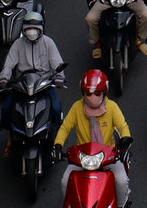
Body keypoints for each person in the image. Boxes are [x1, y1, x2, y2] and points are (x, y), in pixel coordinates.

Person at [55, 71, 131, 208]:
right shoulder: (77, 108)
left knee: (121, 180)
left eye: (97, 93)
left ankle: (120, 205)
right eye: (88, 94)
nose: (92, 98)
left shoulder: (112, 107)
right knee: (65, 180)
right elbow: (65, 128)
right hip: (82, 157)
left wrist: (125, 144)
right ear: (83, 93)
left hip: (109, 156)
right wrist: (58, 145)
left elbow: (122, 127)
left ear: (104, 92)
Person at [0, 11, 65, 157]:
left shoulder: (48, 43)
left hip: (43, 82)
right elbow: (8, 65)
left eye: (35, 28)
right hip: (22, 84)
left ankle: (56, 142)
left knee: (56, 108)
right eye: (28, 28)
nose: (32, 31)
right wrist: (4, 78)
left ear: (41, 28)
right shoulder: (18, 44)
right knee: (6, 108)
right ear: (23, 29)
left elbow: (57, 63)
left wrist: (59, 77)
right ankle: (9, 140)